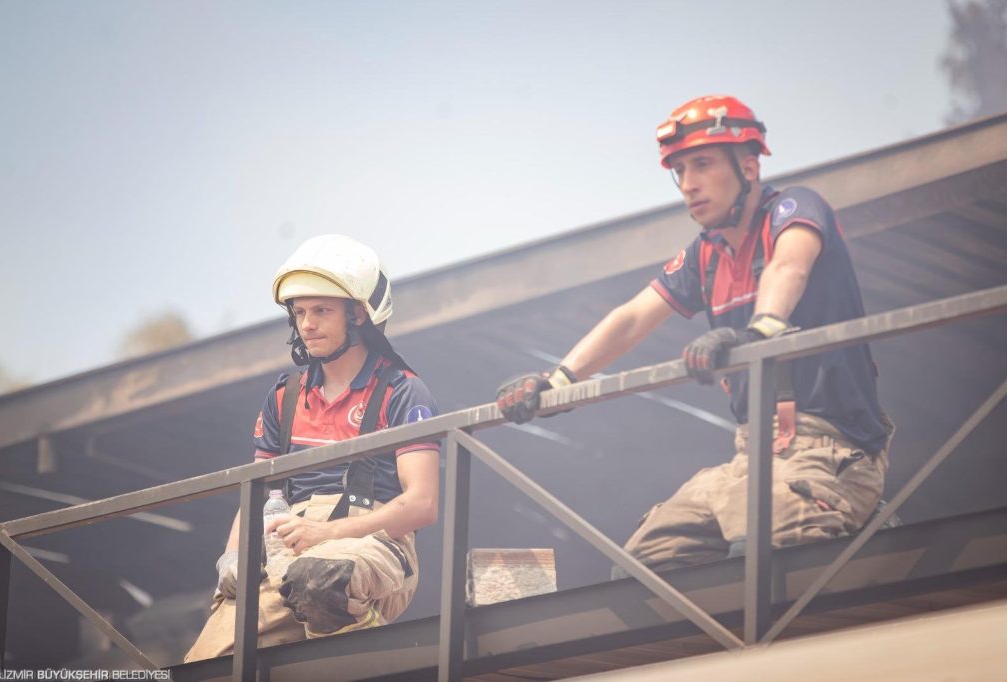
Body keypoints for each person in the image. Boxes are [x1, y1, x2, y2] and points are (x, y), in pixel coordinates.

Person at [496, 94, 894, 574]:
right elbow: (633, 317)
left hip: (830, 451)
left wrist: (759, 331)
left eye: (702, 164)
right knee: (641, 570)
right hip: (750, 456)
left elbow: (789, 266)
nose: (688, 184)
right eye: (679, 171)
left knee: (762, 561)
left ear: (749, 167)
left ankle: (860, 518)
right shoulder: (704, 255)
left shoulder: (795, 209)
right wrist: (559, 379)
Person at [186, 234, 440, 661]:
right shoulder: (284, 398)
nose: (306, 324)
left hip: (374, 547)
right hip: (289, 549)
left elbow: (423, 504)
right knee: (204, 665)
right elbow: (255, 494)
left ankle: (372, 655)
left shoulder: (403, 391)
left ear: (359, 314)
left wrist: (326, 534)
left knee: (319, 578)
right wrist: (232, 556)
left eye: (322, 310)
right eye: (300, 312)